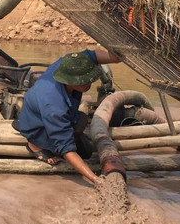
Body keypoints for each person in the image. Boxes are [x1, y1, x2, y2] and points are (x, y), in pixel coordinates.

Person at [14, 49, 120, 186]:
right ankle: (34, 145)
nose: (89, 84)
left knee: (82, 119)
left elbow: (90, 55)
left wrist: (115, 58)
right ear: (72, 82)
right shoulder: (54, 106)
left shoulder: (66, 64)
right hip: (37, 124)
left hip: (40, 111)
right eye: (85, 82)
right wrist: (96, 180)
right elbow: (66, 149)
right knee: (82, 151)